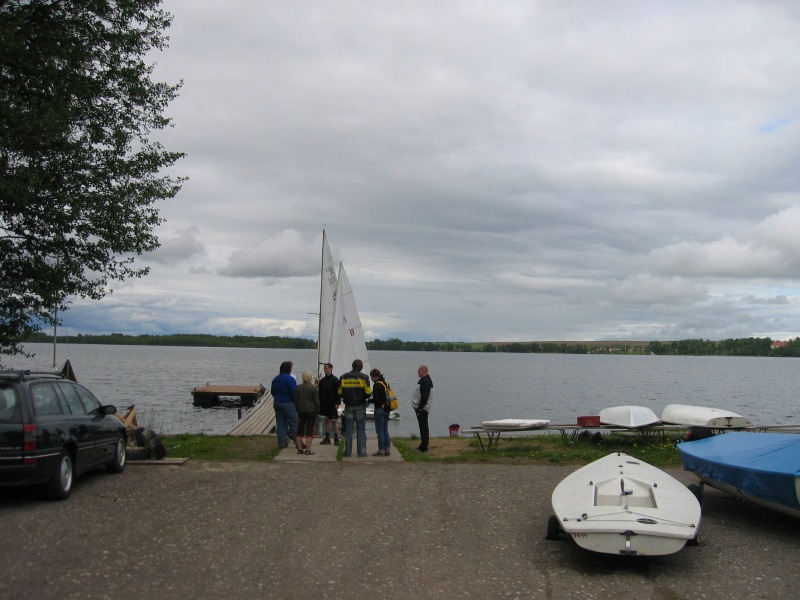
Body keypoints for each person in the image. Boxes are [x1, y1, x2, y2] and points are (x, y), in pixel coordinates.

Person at [338, 358, 371, 457]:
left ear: (352, 366)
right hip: (360, 406)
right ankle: (361, 452)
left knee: (348, 430)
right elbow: (368, 393)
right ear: (361, 367)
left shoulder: (343, 377)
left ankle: (347, 452)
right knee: (361, 430)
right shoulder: (364, 377)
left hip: (348, 406)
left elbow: (339, 392)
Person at [271, 361, 298, 449]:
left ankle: (282, 443)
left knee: (280, 423)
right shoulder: (290, 379)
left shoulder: (275, 379)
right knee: (293, 422)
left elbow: (273, 391)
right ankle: (298, 443)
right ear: (289, 369)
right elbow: (294, 392)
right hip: (288, 402)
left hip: (277, 402)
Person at [294, 370, 320, 455]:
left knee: (299, 430)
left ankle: (300, 449)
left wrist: (297, 410)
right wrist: (317, 410)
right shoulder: (314, 388)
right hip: (311, 411)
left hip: (301, 411)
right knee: (309, 430)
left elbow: (296, 401)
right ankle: (308, 449)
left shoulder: (298, 388)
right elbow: (316, 401)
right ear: (310, 377)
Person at [369, 368, 391, 456]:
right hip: (387, 409)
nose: (371, 379)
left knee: (380, 431)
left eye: (371, 377)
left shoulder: (376, 385)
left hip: (379, 410)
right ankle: (387, 450)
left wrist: (369, 401)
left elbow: (376, 400)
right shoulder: (386, 384)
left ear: (374, 376)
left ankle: (381, 450)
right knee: (385, 430)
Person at [318, 362, 341, 445]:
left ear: (331, 369)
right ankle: (327, 438)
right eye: (324, 368)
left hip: (332, 404)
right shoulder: (322, 381)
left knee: (334, 421)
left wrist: (338, 403)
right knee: (326, 421)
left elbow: (338, 393)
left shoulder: (335, 380)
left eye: (326, 368)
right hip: (324, 404)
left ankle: (336, 438)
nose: (325, 370)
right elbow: (320, 393)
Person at [412, 364, 433, 452]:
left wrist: (420, 408)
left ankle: (424, 447)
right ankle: (423, 445)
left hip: (423, 409)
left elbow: (425, 397)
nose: (417, 372)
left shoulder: (426, 382)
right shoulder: (424, 380)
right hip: (421, 408)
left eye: (418, 371)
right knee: (422, 427)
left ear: (422, 371)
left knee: (423, 427)